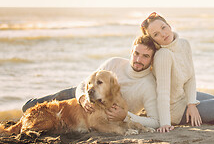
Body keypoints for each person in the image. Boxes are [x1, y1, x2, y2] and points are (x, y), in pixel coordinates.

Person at [22, 35, 160, 129]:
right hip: (79, 96)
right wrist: (82, 98)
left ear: (152, 59)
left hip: (100, 112)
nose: (138, 60)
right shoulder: (114, 63)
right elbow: (84, 84)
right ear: (131, 52)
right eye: (136, 54)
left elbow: (155, 122)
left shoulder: (148, 85)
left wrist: (125, 116)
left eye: (145, 56)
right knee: (28, 107)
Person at [141, 12, 214, 133]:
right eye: (156, 34)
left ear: (169, 26)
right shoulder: (163, 55)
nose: (163, 34)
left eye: (163, 27)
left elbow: (190, 78)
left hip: (182, 96)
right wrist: (165, 123)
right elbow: (162, 92)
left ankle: (200, 114)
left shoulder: (184, 44)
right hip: (174, 109)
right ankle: (192, 117)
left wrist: (191, 104)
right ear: (154, 40)